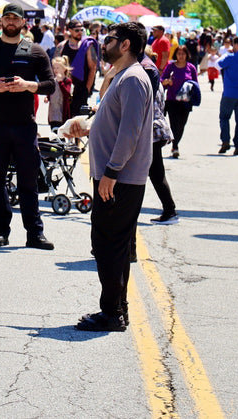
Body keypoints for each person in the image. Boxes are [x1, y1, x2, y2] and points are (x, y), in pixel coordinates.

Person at [66, 22, 153, 332]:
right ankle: (118, 308)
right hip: (116, 176)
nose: (103, 44)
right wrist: (90, 128)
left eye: (110, 40)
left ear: (126, 44)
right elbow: (119, 122)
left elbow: (131, 133)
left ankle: (111, 313)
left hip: (120, 178)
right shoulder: (124, 76)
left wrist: (111, 173)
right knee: (111, 245)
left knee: (108, 246)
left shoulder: (132, 79)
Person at [0, 3, 56, 249]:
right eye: (7, 18)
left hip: (25, 125)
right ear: (1, 21)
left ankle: (34, 233)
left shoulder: (35, 51)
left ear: (23, 23)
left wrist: (28, 85)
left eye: (16, 18)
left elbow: (50, 84)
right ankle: (0, 231)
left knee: (29, 180)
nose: (11, 22)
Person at [140, 48, 177, 224]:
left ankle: (170, 210)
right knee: (155, 172)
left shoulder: (147, 72)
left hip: (151, 129)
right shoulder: (153, 73)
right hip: (156, 128)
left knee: (154, 172)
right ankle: (170, 210)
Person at [161, 45, 199, 159]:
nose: (181, 56)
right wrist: (167, 81)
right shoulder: (171, 66)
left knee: (182, 124)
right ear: (176, 55)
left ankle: (175, 143)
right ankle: (175, 146)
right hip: (172, 100)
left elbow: (195, 83)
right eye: (179, 54)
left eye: (183, 54)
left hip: (185, 101)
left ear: (187, 55)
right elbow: (162, 80)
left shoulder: (191, 68)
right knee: (173, 124)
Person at [58, 20, 99, 116]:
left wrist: (87, 89)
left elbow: (93, 68)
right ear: (69, 30)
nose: (80, 32)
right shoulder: (62, 46)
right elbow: (55, 66)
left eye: (81, 30)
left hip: (81, 88)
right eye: (77, 30)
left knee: (78, 121)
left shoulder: (88, 46)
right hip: (64, 88)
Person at [217, 36, 238, 155]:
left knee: (224, 117)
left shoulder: (230, 57)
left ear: (236, 45)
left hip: (229, 92)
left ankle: (225, 141)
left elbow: (217, 65)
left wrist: (226, 54)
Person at [47, 56, 73, 130]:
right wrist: (47, 97)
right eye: (54, 67)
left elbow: (67, 94)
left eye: (58, 68)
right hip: (53, 111)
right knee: (53, 131)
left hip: (62, 111)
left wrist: (60, 82)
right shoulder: (53, 80)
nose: (55, 70)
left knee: (61, 132)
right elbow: (51, 92)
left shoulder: (67, 81)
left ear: (64, 68)